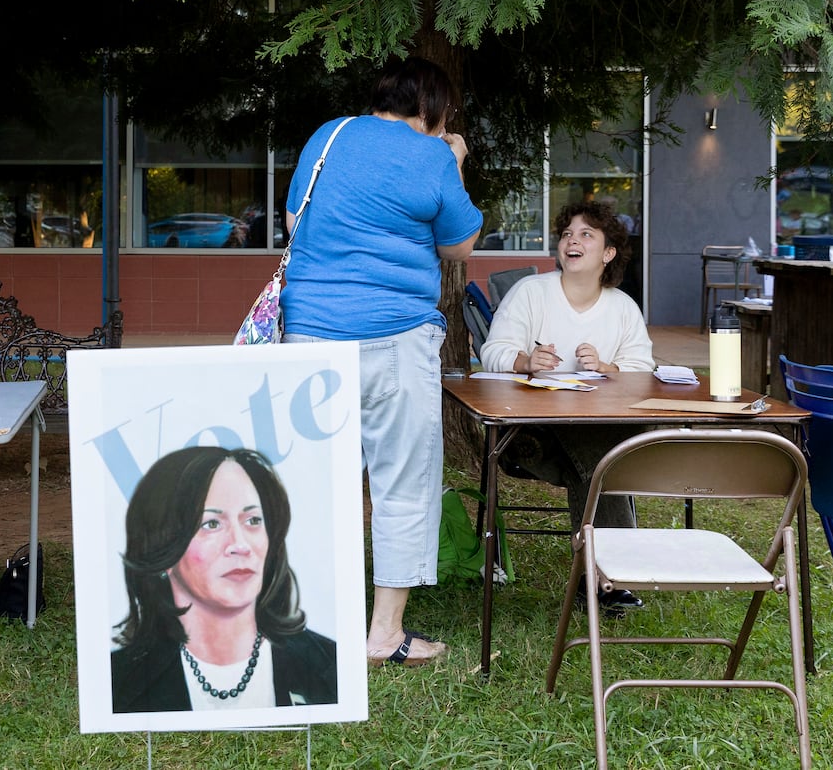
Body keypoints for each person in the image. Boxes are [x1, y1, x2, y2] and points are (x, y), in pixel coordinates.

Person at [279, 57, 481, 667]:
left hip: (310, 335)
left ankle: (304, 621)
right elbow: (459, 244)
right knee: (402, 484)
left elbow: (295, 220)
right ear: (433, 111)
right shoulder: (432, 156)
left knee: (313, 483)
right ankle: (383, 634)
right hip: (395, 336)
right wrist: (456, 161)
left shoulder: (330, 135)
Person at [478, 199, 655, 611]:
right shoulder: (531, 293)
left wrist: (610, 367)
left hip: (596, 435)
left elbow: (642, 369)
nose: (572, 241)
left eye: (586, 235)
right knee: (604, 455)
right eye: (567, 234)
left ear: (608, 253)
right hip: (528, 437)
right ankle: (612, 577)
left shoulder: (623, 308)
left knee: (595, 454)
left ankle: (597, 579)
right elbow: (493, 351)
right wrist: (525, 362)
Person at [111, 447, 336, 712]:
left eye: (253, 520)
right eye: (212, 524)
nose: (240, 545)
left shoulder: (329, 664)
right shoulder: (119, 683)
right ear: (162, 545)